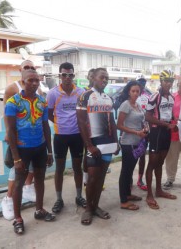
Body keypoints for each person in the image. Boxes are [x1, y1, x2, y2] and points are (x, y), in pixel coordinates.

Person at [5, 69, 55, 235]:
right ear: (23, 81)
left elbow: (46, 126)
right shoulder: (13, 102)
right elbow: (11, 131)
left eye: (37, 80)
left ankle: (39, 210)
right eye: (30, 80)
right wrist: (16, 158)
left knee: (40, 180)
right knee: (19, 183)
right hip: (22, 149)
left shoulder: (42, 101)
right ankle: (18, 219)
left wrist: (49, 151)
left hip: (40, 148)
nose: (34, 83)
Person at [76, 67, 119, 225]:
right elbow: (80, 122)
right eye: (102, 77)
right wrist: (89, 146)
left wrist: (116, 142)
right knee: (93, 178)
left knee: (101, 177)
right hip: (93, 143)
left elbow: (112, 122)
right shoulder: (85, 96)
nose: (105, 80)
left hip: (107, 142)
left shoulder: (108, 98)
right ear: (93, 77)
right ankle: (88, 209)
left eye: (107, 78)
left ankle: (96, 206)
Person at [1, 60, 42, 220]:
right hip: (19, 137)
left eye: (32, 67)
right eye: (26, 67)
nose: (30, 70)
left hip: (35, 137)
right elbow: (6, 112)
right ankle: (8, 198)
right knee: (17, 168)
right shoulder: (13, 88)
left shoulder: (36, 86)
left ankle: (28, 186)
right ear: (20, 70)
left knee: (33, 165)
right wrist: (7, 131)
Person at [47, 62, 86, 214]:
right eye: (64, 75)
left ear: (73, 76)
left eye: (70, 75)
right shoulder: (52, 93)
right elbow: (49, 113)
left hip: (77, 135)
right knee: (60, 169)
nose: (67, 78)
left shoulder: (81, 92)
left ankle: (78, 196)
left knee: (77, 168)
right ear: (60, 76)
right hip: (60, 136)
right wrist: (60, 123)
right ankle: (59, 199)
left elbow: (83, 113)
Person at [145, 70, 177, 210]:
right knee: (152, 163)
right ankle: (149, 194)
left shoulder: (171, 97)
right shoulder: (154, 97)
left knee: (160, 162)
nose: (168, 83)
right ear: (161, 81)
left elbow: (169, 115)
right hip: (156, 132)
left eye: (170, 81)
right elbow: (148, 117)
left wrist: (173, 124)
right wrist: (166, 124)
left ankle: (159, 190)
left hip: (166, 132)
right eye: (166, 81)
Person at [117, 80, 148, 211]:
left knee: (130, 171)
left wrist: (144, 127)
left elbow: (141, 120)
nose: (136, 93)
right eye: (133, 91)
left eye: (137, 91)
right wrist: (136, 132)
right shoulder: (126, 105)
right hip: (128, 143)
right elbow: (119, 125)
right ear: (128, 92)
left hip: (137, 142)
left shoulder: (137, 105)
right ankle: (123, 201)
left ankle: (128, 194)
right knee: (125, 171)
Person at [135, 75, 151, 191]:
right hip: (133, 130)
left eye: (143, 82)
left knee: (142, 155)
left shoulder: (148, 96)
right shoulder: (131, 96)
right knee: (131, 156)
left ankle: (140, 179)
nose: (142, 84)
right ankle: (128, 179)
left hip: (145, 130)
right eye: (140, 82)